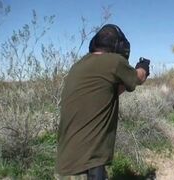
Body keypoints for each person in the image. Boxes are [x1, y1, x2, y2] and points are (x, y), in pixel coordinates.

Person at [55, 24, 150, 180]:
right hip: (88, 163)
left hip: (66, 161)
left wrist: (125, 83)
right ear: (118, 46)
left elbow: (107, 93)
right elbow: (138, 77)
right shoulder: (114, 61)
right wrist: (143, 67)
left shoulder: (78, 65)